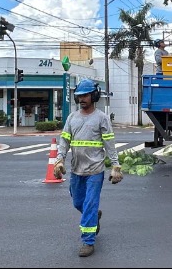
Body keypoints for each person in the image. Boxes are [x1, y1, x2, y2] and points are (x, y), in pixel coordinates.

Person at [53, 79, 122, 258]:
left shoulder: (101, 118)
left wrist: (116, 165)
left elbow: (109, 143)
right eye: (79, 96)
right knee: (78, 203)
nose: (82, 99)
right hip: (77, 169)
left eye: (85, 95)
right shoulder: (72, 118)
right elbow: (64, 140)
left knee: (90, 203)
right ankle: (93, 215)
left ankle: (88, 241)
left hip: (95, 170)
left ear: (94, 96)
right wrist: (59, 160)